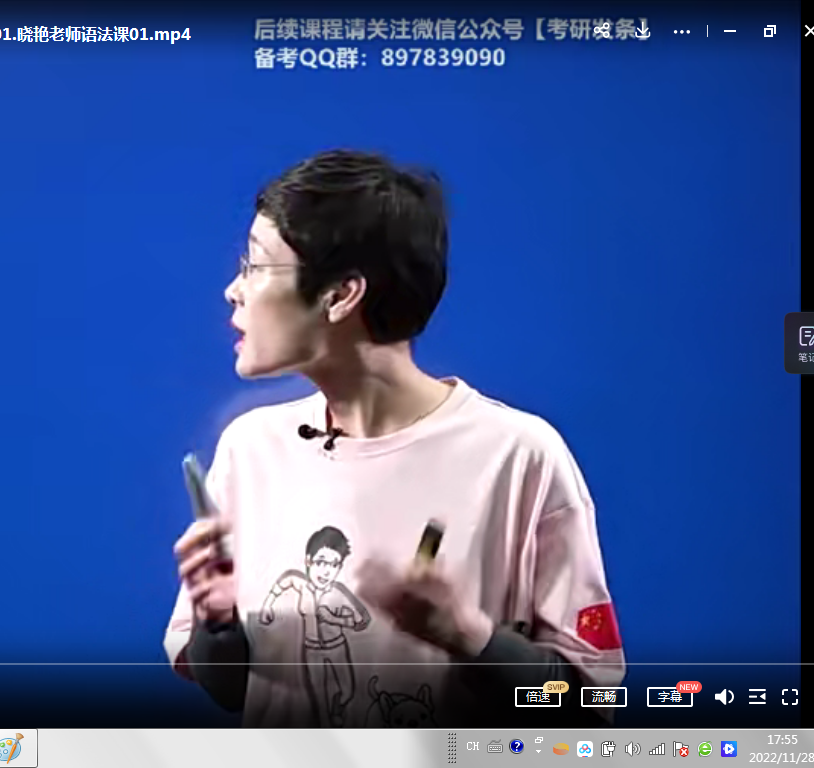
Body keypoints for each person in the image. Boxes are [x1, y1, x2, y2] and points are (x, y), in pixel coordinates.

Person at [163, 149, 626, 728]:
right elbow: (232, 689)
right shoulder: (250, 448)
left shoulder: (519, 456)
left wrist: (472, 636)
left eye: (256, 265)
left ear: (341, 295)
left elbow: (590, 705)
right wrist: (218, 622)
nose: (234, 290)